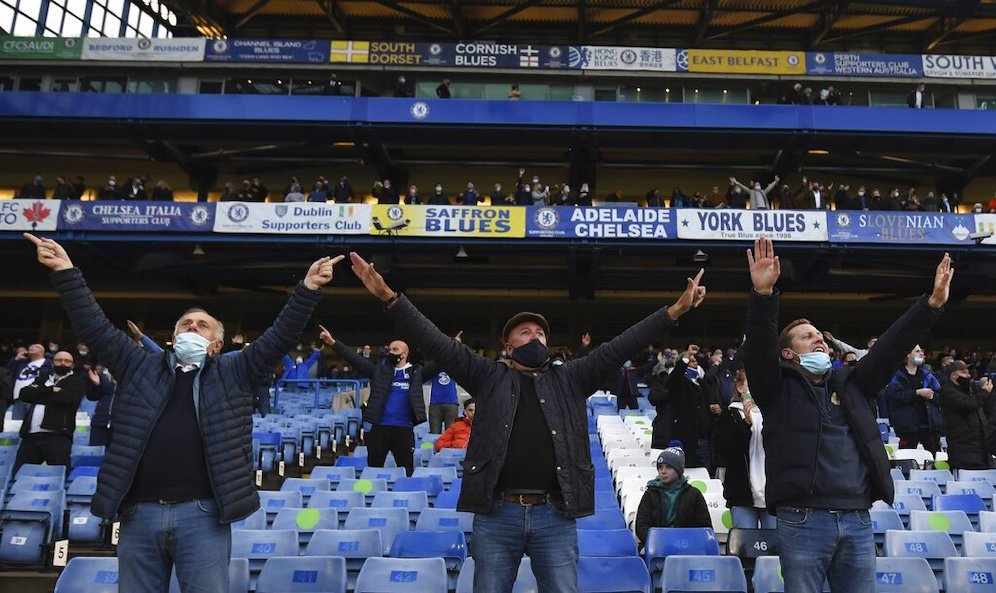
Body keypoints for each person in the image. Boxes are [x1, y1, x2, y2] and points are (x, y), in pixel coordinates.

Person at [347, 251, 706, 593]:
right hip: (497, 514)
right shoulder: (486, 376)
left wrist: (674, 311)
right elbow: (436, 342)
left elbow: (624, 344)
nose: (535, 337)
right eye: (525, 332)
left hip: (555, 515)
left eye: (540, 334)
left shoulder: (572, 377)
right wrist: (390, 298)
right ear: (507, 344)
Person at [24, 232, 338, 593]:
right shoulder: (138, 365)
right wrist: (65, 271)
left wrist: (309, 287)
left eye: (202, 325)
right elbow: (95, 328)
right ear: (173, 337)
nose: (193, 327)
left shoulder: (236, 371)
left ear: (217, 344)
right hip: (138, 513)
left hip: (202, 515)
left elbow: (280, 336)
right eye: (186, 324)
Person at [742, 237, 950, 593]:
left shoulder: (853, 382)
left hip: (857, 518)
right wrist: (764, 297)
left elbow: (889, 347)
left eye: (820, 337)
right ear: (789, 355)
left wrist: (930, 305)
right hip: (803, 518)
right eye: (807, 338)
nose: (819, 341)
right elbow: (759, 351)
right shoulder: (775, 390)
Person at [319, 325, 434, 476]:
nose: (390, 352)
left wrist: (454, 347)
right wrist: (333, 343)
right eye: (389, 349)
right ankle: (371, 497)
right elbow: (355, 359)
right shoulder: (379, 371)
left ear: (404, 354)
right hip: (378, 429)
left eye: (394, 350)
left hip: (404, 429)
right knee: (373, 470)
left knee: (406, 471)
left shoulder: (416, 373)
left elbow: (439, 365)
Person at [714, 370, 775, 529]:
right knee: (745, 546)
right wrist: (745, 425)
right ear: (741, 388)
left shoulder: (774, 412)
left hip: (772, 494)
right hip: (742, 493)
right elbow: (725, 450)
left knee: (774, 549)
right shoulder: (730, 414)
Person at [13, 350, 86, 474]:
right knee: (20, 474)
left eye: (67, 361)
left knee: (58, 474)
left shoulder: (76, 381)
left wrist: (38, 395)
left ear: (72, 365)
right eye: (59, 360)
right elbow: (24, 394)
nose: (62, 363)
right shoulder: (42, 379)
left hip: (58, 436)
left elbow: (66, 398)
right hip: (30, 435)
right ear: (52, 363)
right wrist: (51, 389)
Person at [634, 446, 711, 548]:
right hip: (657, 546)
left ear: (678, 470)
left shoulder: (694, 494)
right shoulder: (650, 493)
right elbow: (641, 526)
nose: (663, 471)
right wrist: (657, 541)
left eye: (668, 467)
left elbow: (704, 527)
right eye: (660, 467)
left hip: (687, 547)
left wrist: (687, 543)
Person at [883, 345, 943, 455]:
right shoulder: (896, 376)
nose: (921, 354)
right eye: (917, 351)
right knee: (907, 460)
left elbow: (939, 394)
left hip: (929, 426)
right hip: (907, 427)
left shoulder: (927, 375)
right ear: (908, 355)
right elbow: (893, 397)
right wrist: (916, 393)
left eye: (922, 351)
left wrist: (932, 396)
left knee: (935, 460)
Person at [940, 360, 994, 471]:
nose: (968, 375)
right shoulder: (948, 391)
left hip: (981, 449)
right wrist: (984, 393)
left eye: (968, 372)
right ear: (954, 375)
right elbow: (968, 405)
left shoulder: (970, 390)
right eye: (964, 372)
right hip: (963, 450)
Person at [5, 342, 52, 427]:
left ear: (41, 351)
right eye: (29, 349)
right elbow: (8, 372)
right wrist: (16, 359)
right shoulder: (22, 363)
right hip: (18, 399)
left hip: (35, 399)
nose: (29, 350)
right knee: (16, 426)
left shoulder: (47, 363)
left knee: (32, 425)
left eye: (32, 349)